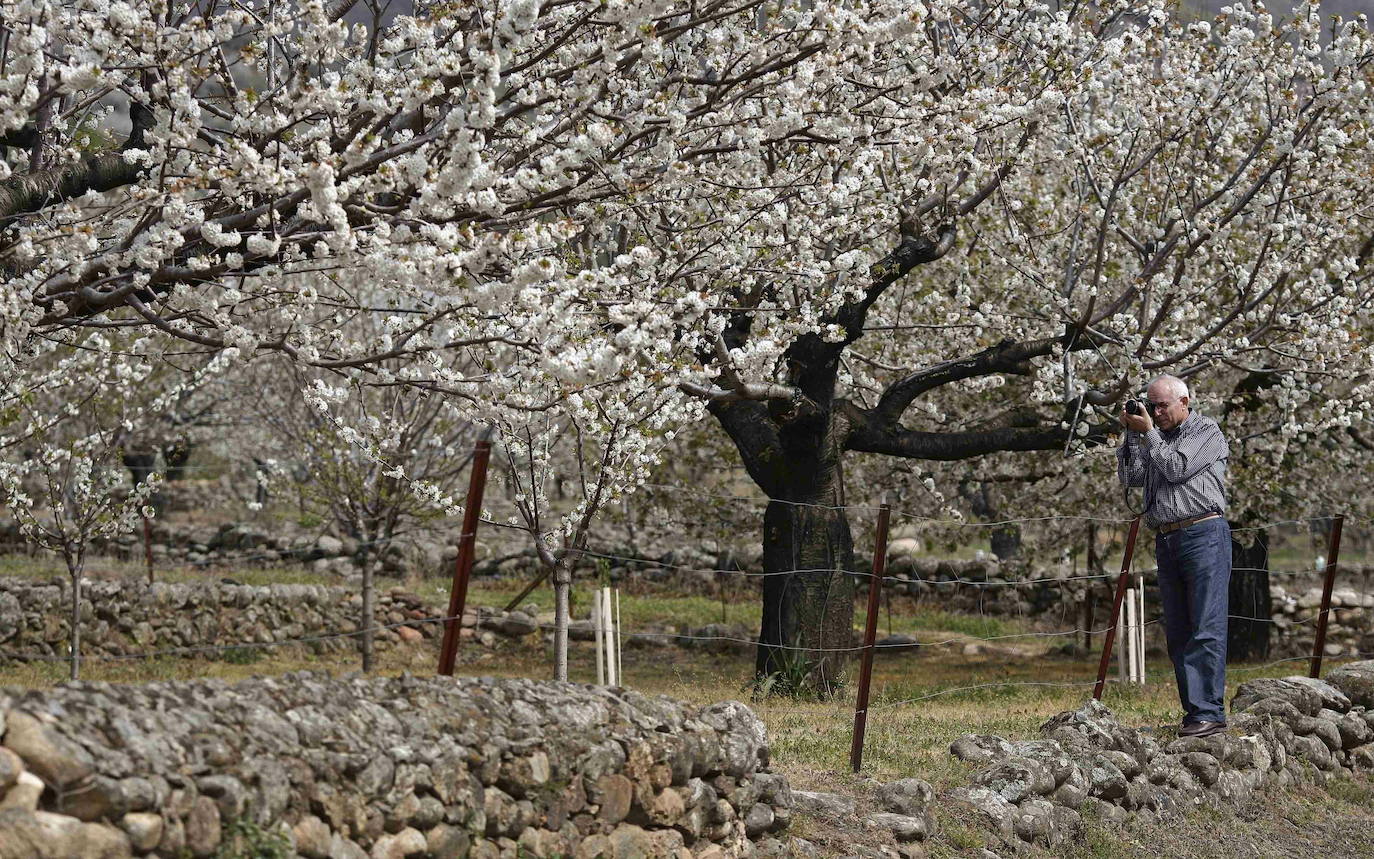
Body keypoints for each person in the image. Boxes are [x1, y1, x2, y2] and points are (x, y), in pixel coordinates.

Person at [1116, 374, 1231, 738]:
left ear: (1185, 401)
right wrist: (1133, 433)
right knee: (1178, 632)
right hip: (1167, 539)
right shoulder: (1156, 437)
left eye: (1163, 405)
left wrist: (1148, 433)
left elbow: (1176, 468)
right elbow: (1131, 476)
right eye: (1152, 405)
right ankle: (1194, 713)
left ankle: (1210, 712)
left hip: (1203, 535)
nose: (1157, 412)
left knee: (1205, 627)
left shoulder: (1206, 432)